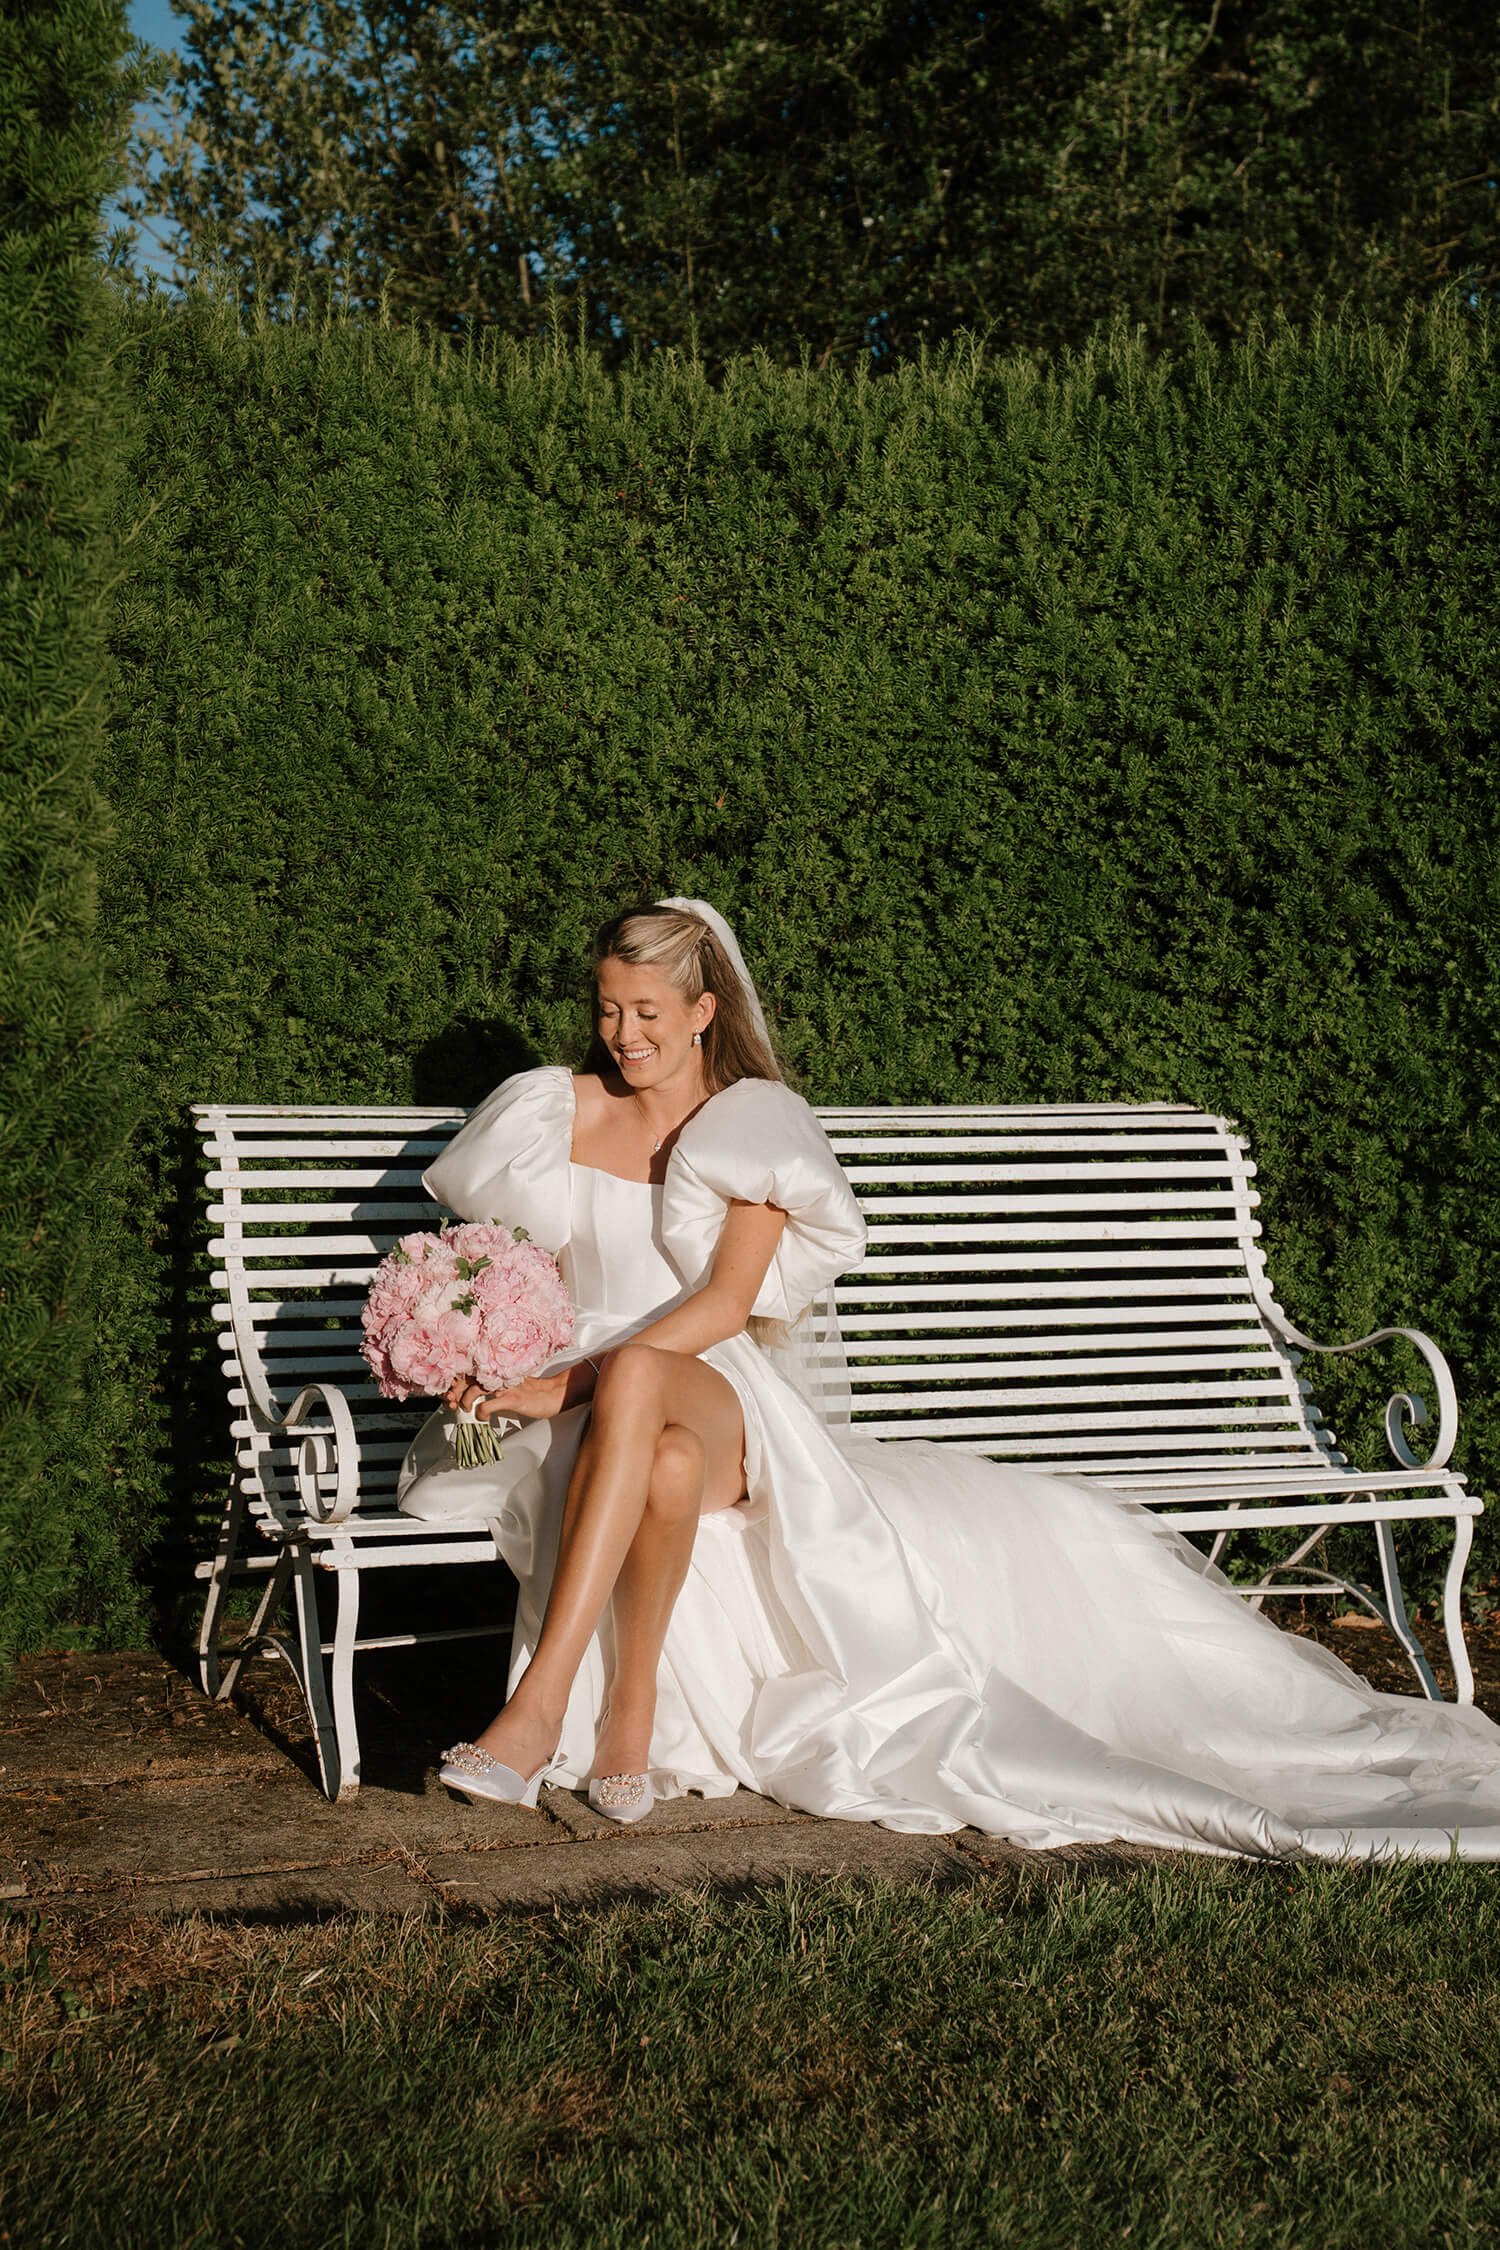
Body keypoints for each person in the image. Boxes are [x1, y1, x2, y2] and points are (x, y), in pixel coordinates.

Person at [399, 899, 1500, 1856]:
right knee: (662, 1462)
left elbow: (727, 1307)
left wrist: (568, 1383)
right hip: (608, 1402)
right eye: (607, 1009)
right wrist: (486, 1346)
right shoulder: (554, 1114)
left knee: (647, 1376)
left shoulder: (749, 1125)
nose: (624, 1034)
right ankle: (627, 1719)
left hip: (710, 1382)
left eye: (648, 1012)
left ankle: (538, 1712)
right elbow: (506, 1270)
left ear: (703, 1012)